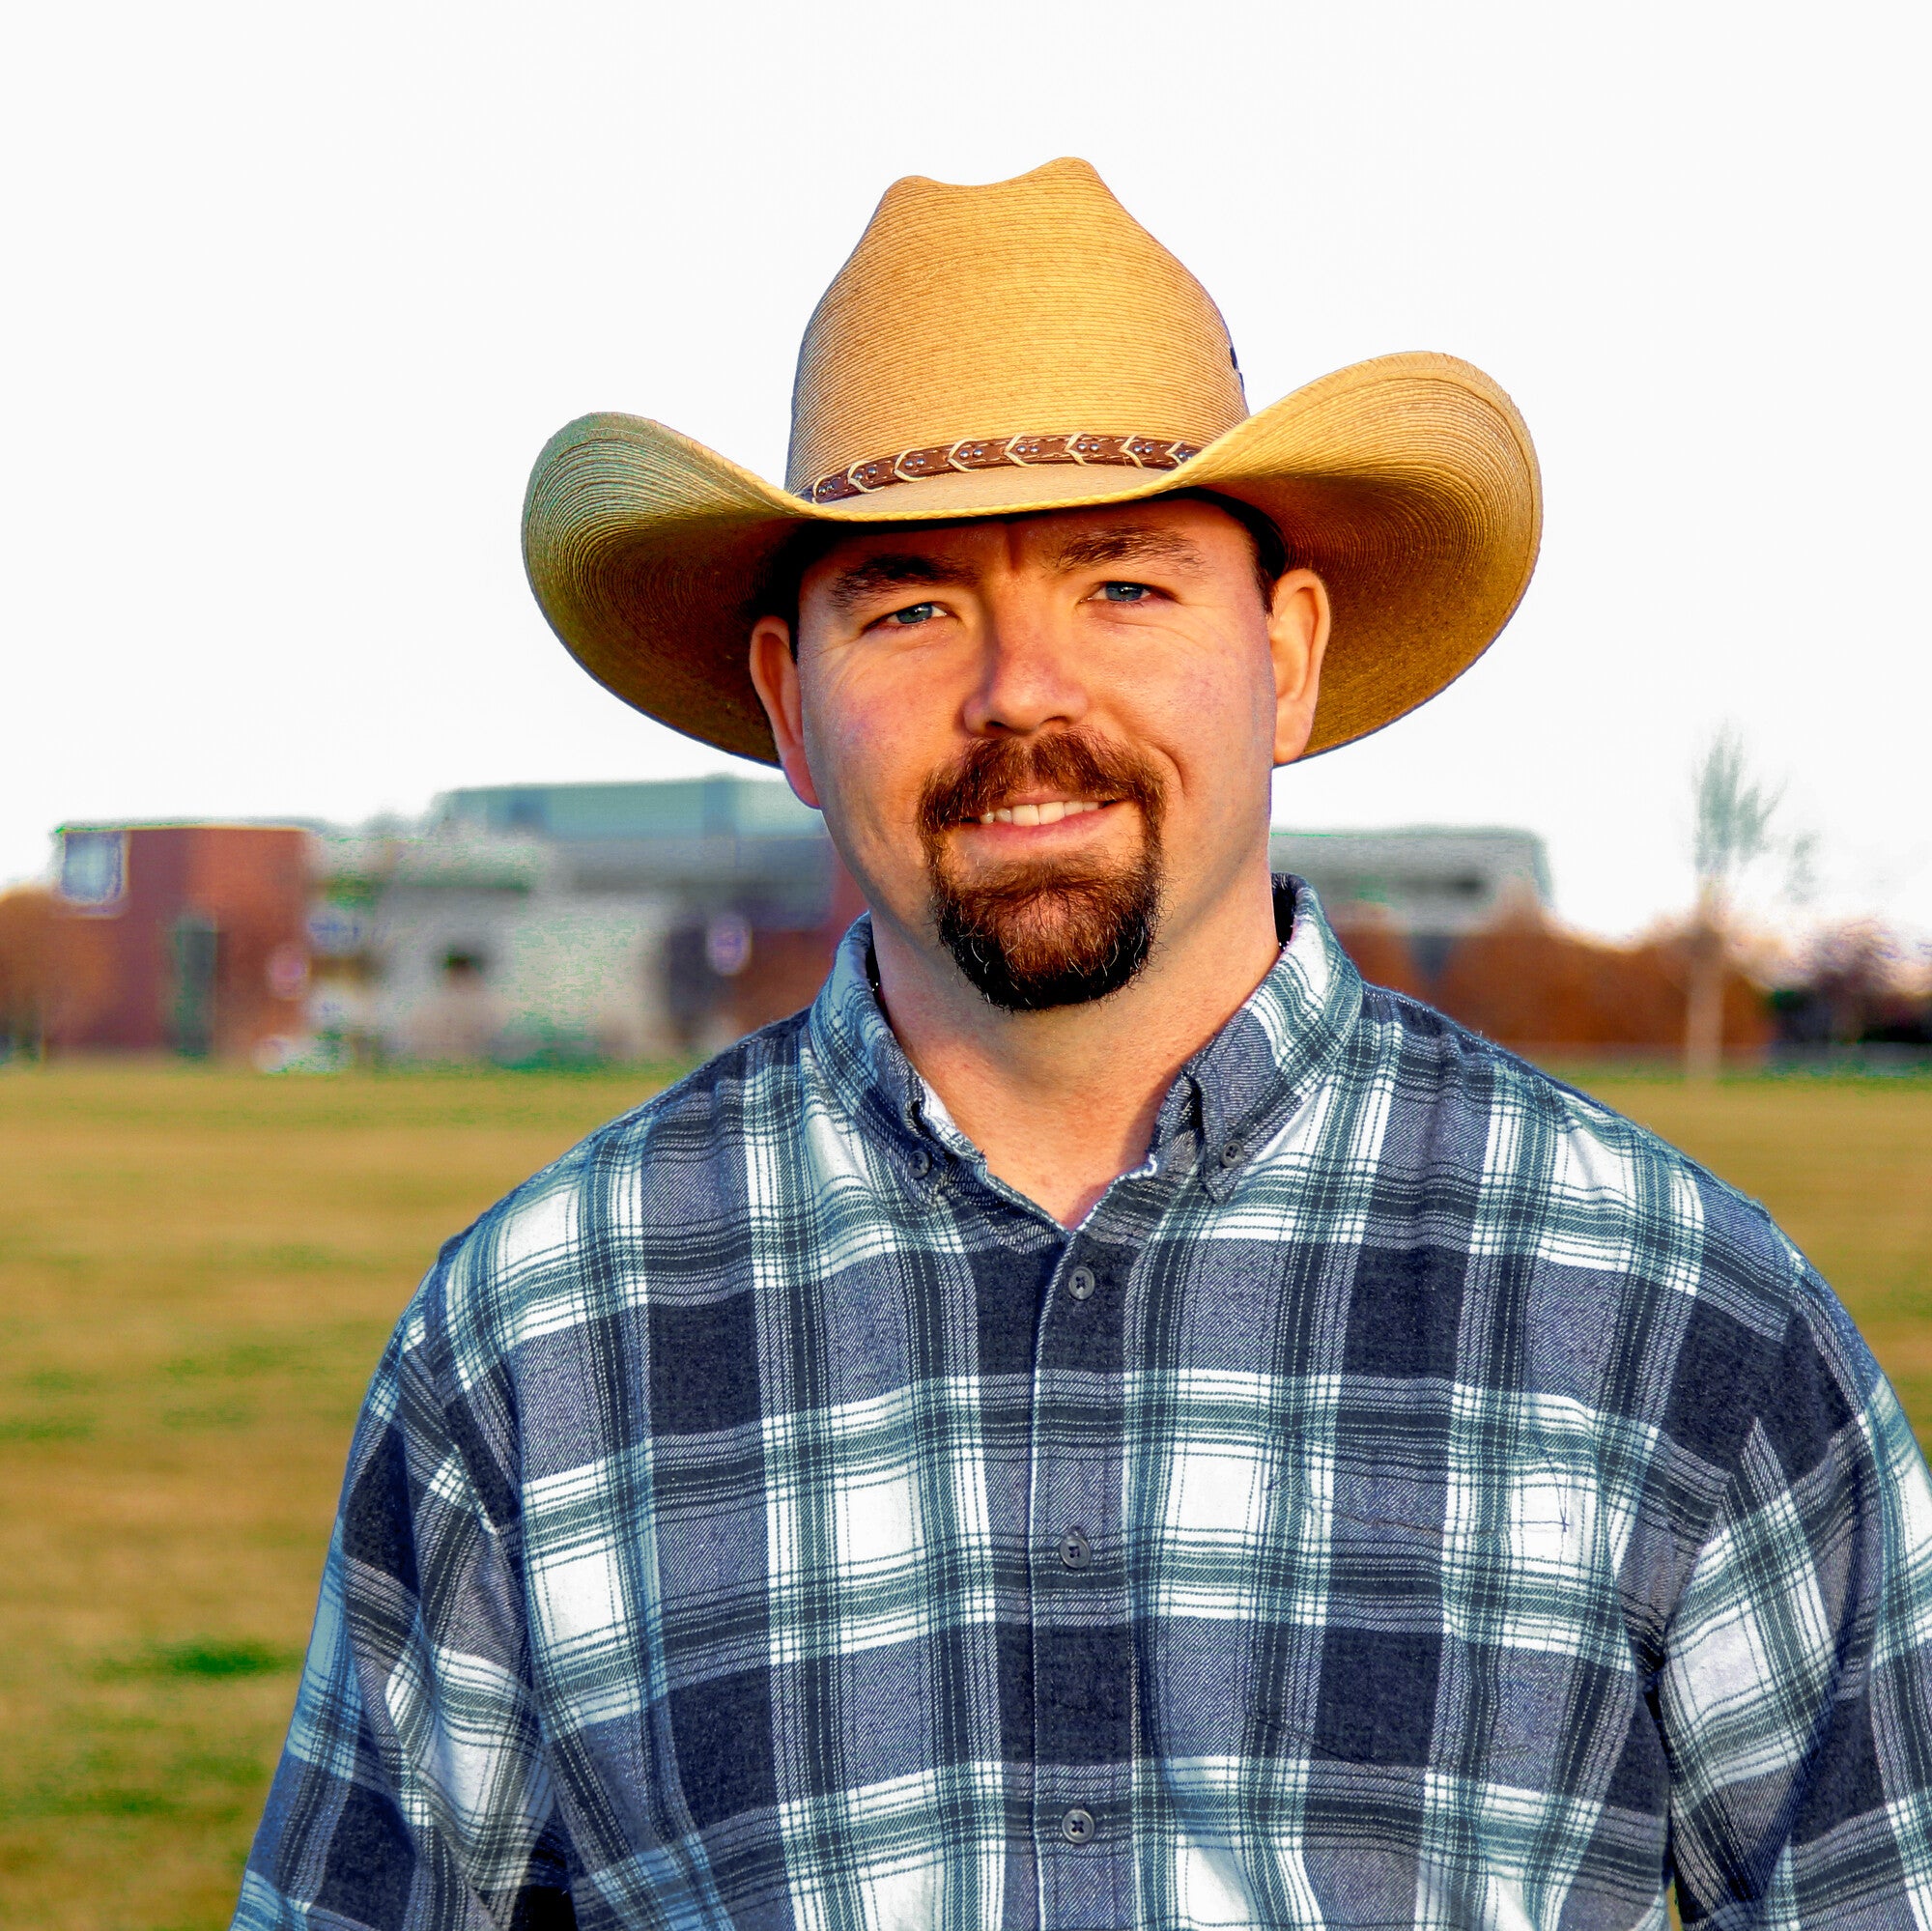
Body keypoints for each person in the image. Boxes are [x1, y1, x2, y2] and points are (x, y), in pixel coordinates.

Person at [236, 159, 1932, 1930]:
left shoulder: (1677, 1311)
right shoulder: (533, 1339)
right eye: (910, 606)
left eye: (1122, 586)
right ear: (784, 705)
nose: (1022, 694)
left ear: (1283, 658)